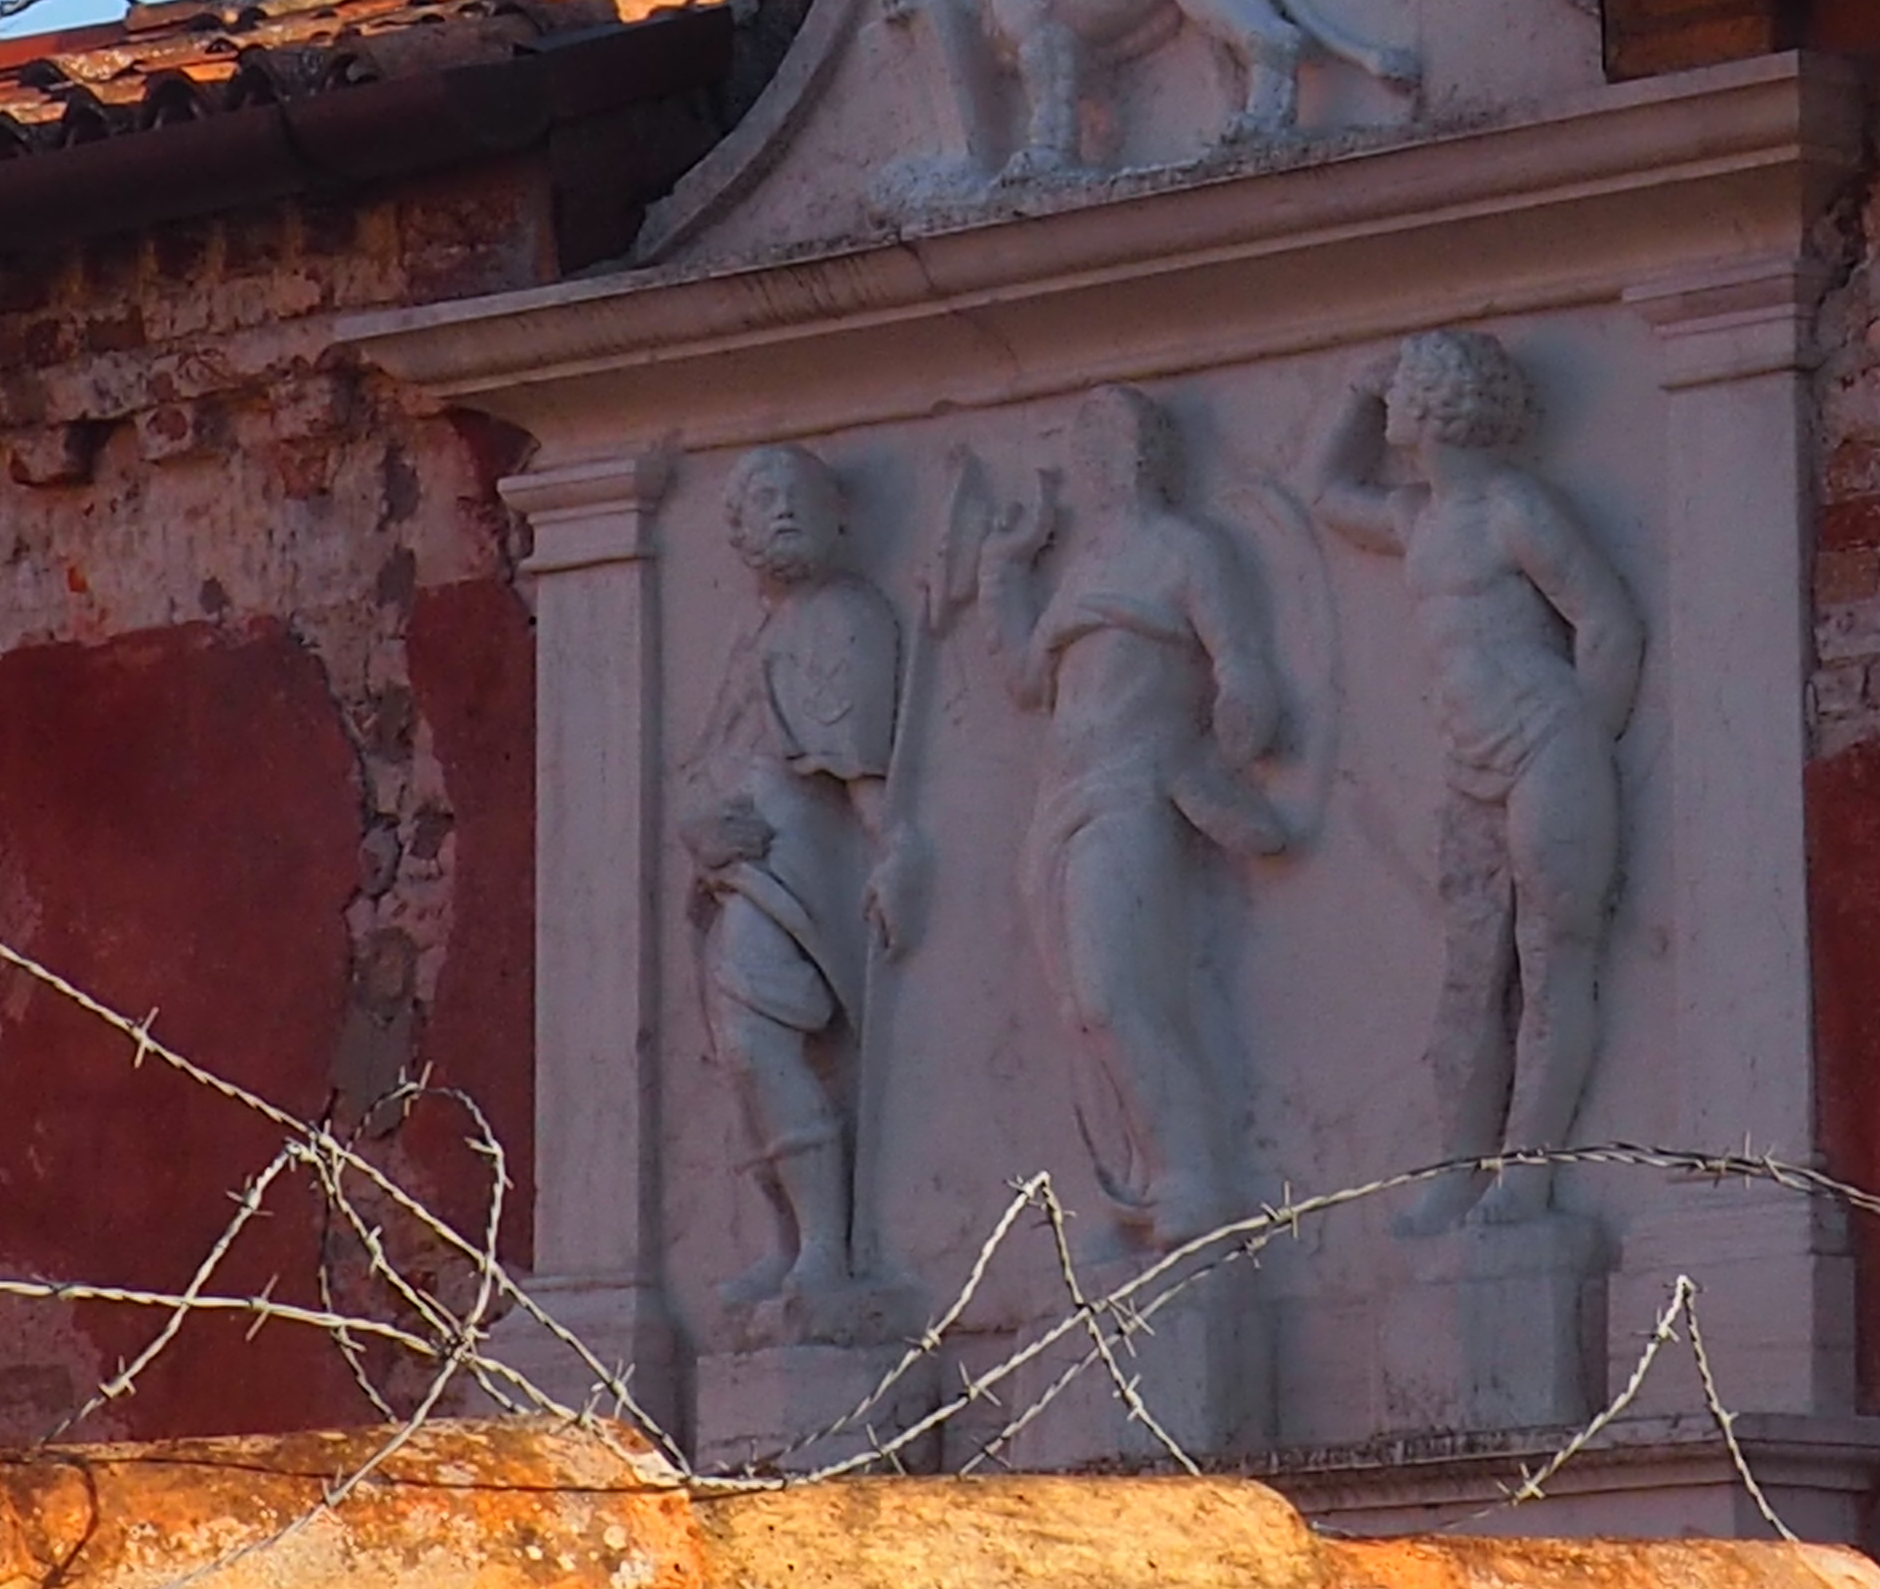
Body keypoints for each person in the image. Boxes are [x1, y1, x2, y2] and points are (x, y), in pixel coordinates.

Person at [1303, 329, 1643, 1229]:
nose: (1395, 411)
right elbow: (1326, 494)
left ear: (1433, 409)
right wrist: (1352, 396)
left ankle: (1527, 1171)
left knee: (1550, 959)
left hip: (1545, 746)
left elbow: (1607, 621)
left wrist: (1576, 738)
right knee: (1470, 975)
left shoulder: (1513, 509)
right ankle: (1457, 1165)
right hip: (1471, 762)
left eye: (1402, 394)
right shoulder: (1421, 518)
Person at [964, 387, 1295, 1245]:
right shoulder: (1081, 562)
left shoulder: (1185, 550)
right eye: (1091, 446)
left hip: (1138, 785)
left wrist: (1242, 715)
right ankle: (1138, 1188)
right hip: (1060, 799)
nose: (1096, 464)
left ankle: (1194, 1172)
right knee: (1079, 1009)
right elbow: (1028, 682)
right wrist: (1003, 567)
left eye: (1108, 446)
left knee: (1117, 994)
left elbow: (1243, 668)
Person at [679, 444, 915, 1338]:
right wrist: (699, 834)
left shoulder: (844, 615)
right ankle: (789, 1242)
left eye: (797, 496)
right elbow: (710, 762)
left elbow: (864, 768)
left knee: (756, 1042)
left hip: (806, 863)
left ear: (838, 515)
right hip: (743, 867)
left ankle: (825, 1246)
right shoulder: (757, 636)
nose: (780, 511)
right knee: (741, 1051)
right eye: (761, 499)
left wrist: (896, 848)